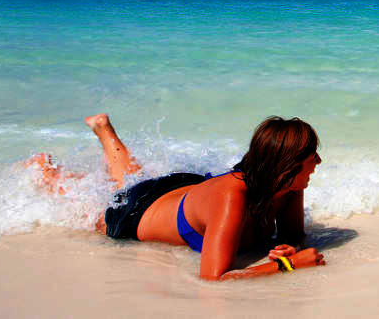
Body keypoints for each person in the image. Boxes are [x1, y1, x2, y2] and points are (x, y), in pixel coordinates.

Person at [27, 113, 326, 280]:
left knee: (134, 181)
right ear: (287, 165)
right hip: (135, 215)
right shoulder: (233, 196)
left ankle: (105, 131)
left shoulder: (287, 187)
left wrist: (288, 246)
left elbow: (295, 236)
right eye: (313, 155)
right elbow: (213, 278)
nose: (319, 162)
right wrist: (288, 265)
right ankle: (44, 169)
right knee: (93, 206)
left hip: (183, 190)